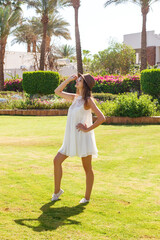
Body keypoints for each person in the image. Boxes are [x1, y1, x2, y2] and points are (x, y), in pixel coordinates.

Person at [52, 73, 106, 204]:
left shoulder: (88, 100)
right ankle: (57, 191)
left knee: (87, 168)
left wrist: (87, 129)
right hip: (71, 138)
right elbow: (57, 91)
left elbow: (102, 118)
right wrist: (68, 79)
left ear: (85, 85)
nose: (77, 81)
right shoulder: (75, 97)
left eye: (80, 80)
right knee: (56, 161)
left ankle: (86, 198)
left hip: (83, 138)